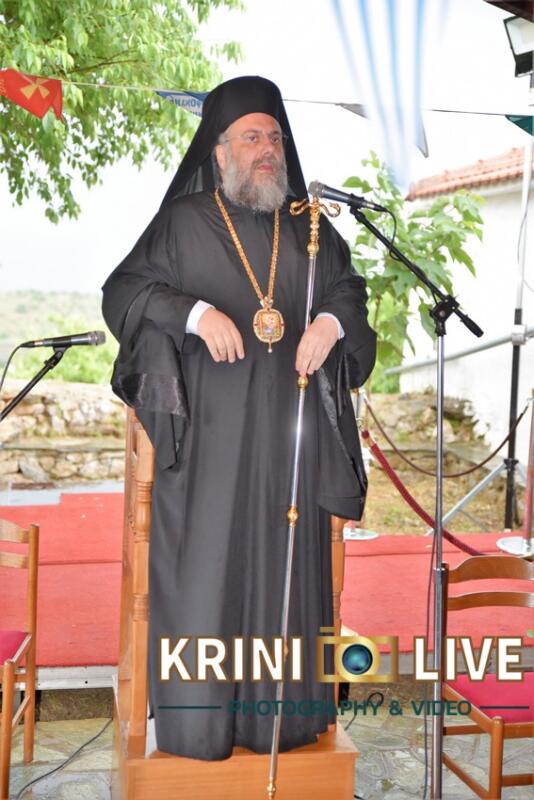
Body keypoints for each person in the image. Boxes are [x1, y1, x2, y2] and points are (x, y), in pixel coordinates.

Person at [102, 75, 376, 761]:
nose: (266, 149)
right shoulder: (183, 223)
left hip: (291, 448)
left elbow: (350, 291)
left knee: (287, 583)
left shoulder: (311, 230)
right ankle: (201, 728)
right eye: (251, 137)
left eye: (274, 137)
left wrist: (333, 322)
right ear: (219, 151)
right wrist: (194, 314)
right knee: (209, 580)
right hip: (210, 452)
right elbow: (124, 291)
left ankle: (281, 724)